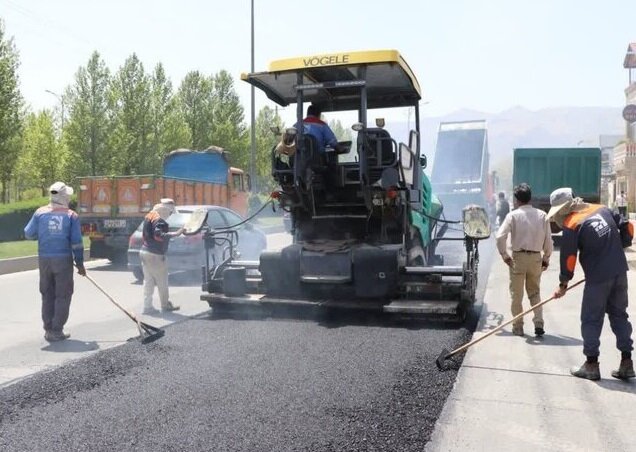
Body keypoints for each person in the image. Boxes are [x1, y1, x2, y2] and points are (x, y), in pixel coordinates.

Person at [549, 187, 634, 380]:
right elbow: (628, 227)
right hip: (620, 272)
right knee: (620, 315)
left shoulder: (572, 223)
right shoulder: (602, 208)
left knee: (591, 319)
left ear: (562, 209)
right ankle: (627, 363)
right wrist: (618, 246)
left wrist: (563, 284)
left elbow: (569, 258)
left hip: (598, 279)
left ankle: (591, 365)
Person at [24, 181, 86, 342]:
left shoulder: (39, 213)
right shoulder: (71, 216)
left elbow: (28, 233)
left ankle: (48, 329)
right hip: (63, 260)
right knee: (63, 295)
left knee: (47, 293)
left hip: (44, 260)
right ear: (64, 197)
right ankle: (57, 330)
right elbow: (77, 243)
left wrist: (45, 234)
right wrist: (79, 264)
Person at [496, 183, 552, 337]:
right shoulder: (542, 215)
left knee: (517, 295)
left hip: (518, 259)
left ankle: (518, 326)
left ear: (516, 200)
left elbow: (500, 236)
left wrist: (504, 255)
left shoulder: (513, 215)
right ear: (530, 198)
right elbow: (549, 239)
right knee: (534, 292)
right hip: (535, 258)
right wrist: (546, 257)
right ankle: (539, 323)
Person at [140, 198, 184, 314]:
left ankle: (147, 307)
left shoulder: (149, 215)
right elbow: (158, 235)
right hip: (156, 255)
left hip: (144, 252)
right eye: (170, 212)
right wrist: (176, 233)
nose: (170, 215)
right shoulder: (160, 220)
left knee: (148, 281)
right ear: (165, 210)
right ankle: (165, 305)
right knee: (162, 282)